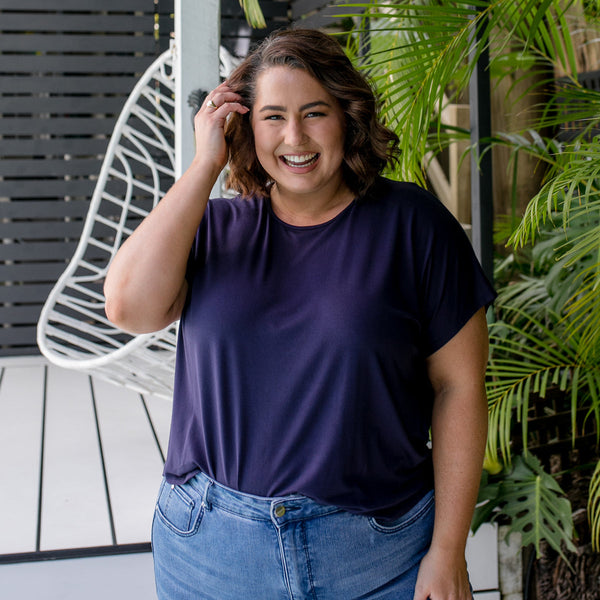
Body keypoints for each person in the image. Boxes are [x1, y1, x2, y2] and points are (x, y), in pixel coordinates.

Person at [104, 28, 496, 600]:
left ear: (347, 116)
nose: (295, 137)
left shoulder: (413, 226)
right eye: (272, 117)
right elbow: (127, 309)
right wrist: (204, 164)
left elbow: (459, 388)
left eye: (315, 112)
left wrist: (448, 549)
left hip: (377, 549)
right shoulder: (212, 228)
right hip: (211, 553)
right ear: (245, 126)